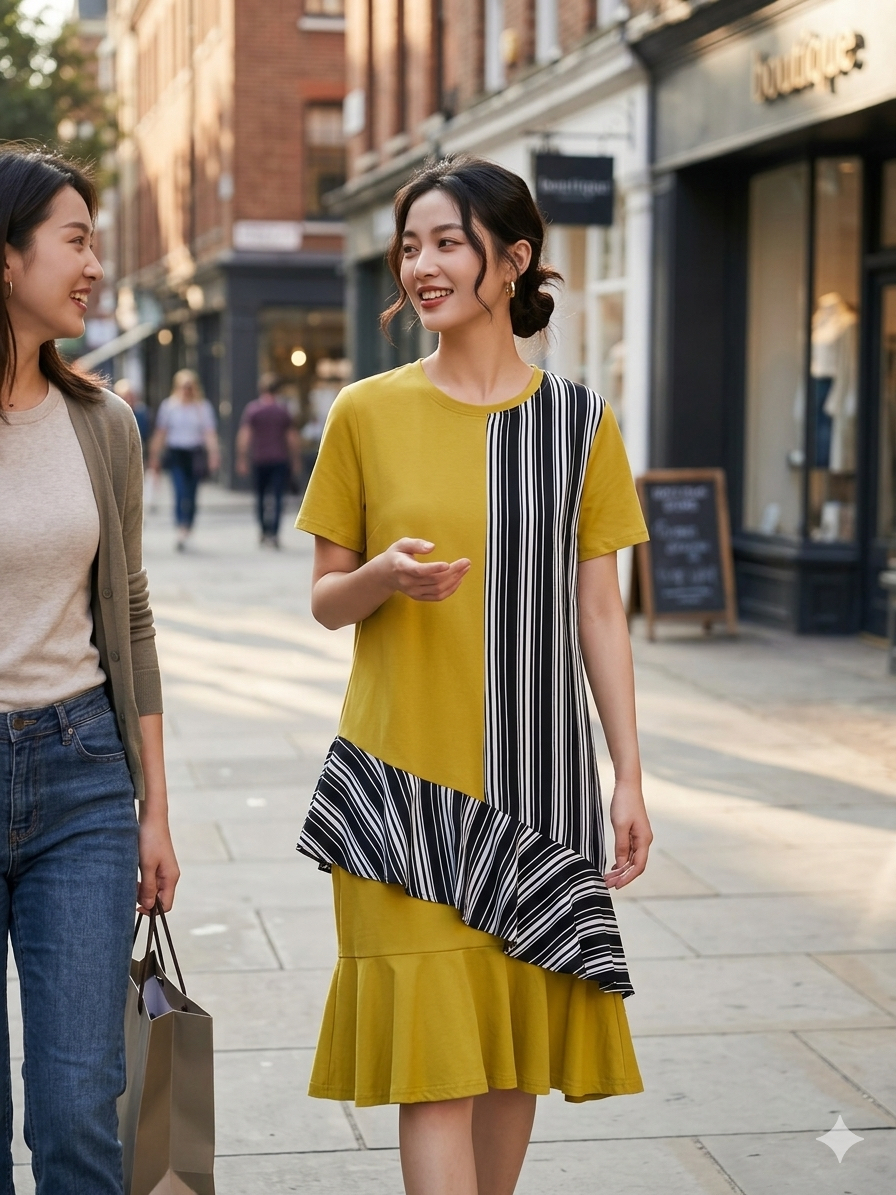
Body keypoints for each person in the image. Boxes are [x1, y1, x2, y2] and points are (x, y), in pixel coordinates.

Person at [295, 154, 653, 1195]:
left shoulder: (578, 422)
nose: (421, 265)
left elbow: (599, 610)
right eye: (410, 246)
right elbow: (323, 601)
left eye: (446, 241)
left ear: (513, 260)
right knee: (434, 1073)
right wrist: (377, 578)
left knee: (508, 1058)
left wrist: (625, 775)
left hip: (536, 787)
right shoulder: (363, 410)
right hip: (398, 784)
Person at [0, 145, 180, 1194]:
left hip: (81, 777)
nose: (95, 264)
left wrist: (155, 808)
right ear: (7, 257)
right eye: (75, 240)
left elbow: (135, 618)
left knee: (78, 1111)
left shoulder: (105, 424)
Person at [148, 368, 219, 551]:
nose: (186, 390)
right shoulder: (169, 406)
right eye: (183, 386)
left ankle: (188, 525)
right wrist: (154, 454)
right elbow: (161, 432)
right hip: (176, 452)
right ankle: (181, 527)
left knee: (192, 492)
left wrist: (213, 454)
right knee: (179, 491)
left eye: (189, 387)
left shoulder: (202, 407)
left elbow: (209, 433)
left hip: (194, 453)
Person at [236, 372, 300, 547]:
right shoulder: (283, 410)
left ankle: (264, 530)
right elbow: (291, 437)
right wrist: (295, 459)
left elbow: (245, 435)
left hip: (260, 459)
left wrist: (241, 458)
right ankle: (275, 533)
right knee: (278, 497)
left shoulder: (253, 409)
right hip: (279, 458)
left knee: (260, 497)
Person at [113, 377, 151, 449]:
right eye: (126, 397)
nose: (130, 400)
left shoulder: (142, 414)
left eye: (132, 397)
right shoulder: (113, 416)